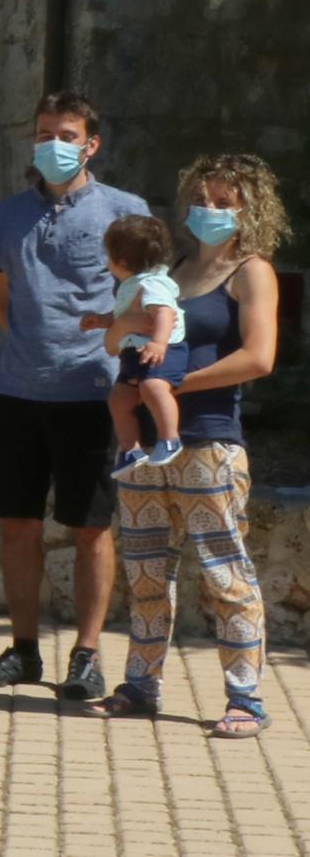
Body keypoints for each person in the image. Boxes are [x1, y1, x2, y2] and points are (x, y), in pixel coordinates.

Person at [0, 92, 147, 698]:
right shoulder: (7, 215)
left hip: (92, 395)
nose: (54, 144)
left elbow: (145, 301)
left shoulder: (126, 212)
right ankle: (24, 651)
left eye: (68, 134)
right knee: (17, 526)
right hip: (18, 393)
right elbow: (4, 303)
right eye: (44, 132)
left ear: (91, 144)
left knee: (91, 529)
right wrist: (34, 353)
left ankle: (87, 654)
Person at [105, 153, 281, 736]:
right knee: (147, 573)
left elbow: (259, 357)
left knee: (224, 574)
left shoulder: (251, 271)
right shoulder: (170, 269)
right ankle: (140, 684)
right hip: (146, 449)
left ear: (248, 209)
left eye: (224, 202)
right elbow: (132, 328)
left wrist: (175, 382)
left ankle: (245, 698)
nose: (209, 211)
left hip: (208, 445)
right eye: (201, 199)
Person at [96, 216, 187, 475]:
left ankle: (170, 438)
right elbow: (128, 316)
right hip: (135, 353)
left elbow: (164, 314)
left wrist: (159, 344)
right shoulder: (131, 285)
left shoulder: (151, 283)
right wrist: (102, 320)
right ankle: (130, 448)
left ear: (121, 262)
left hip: (162, 351)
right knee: (118, 398)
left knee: (153, 387)